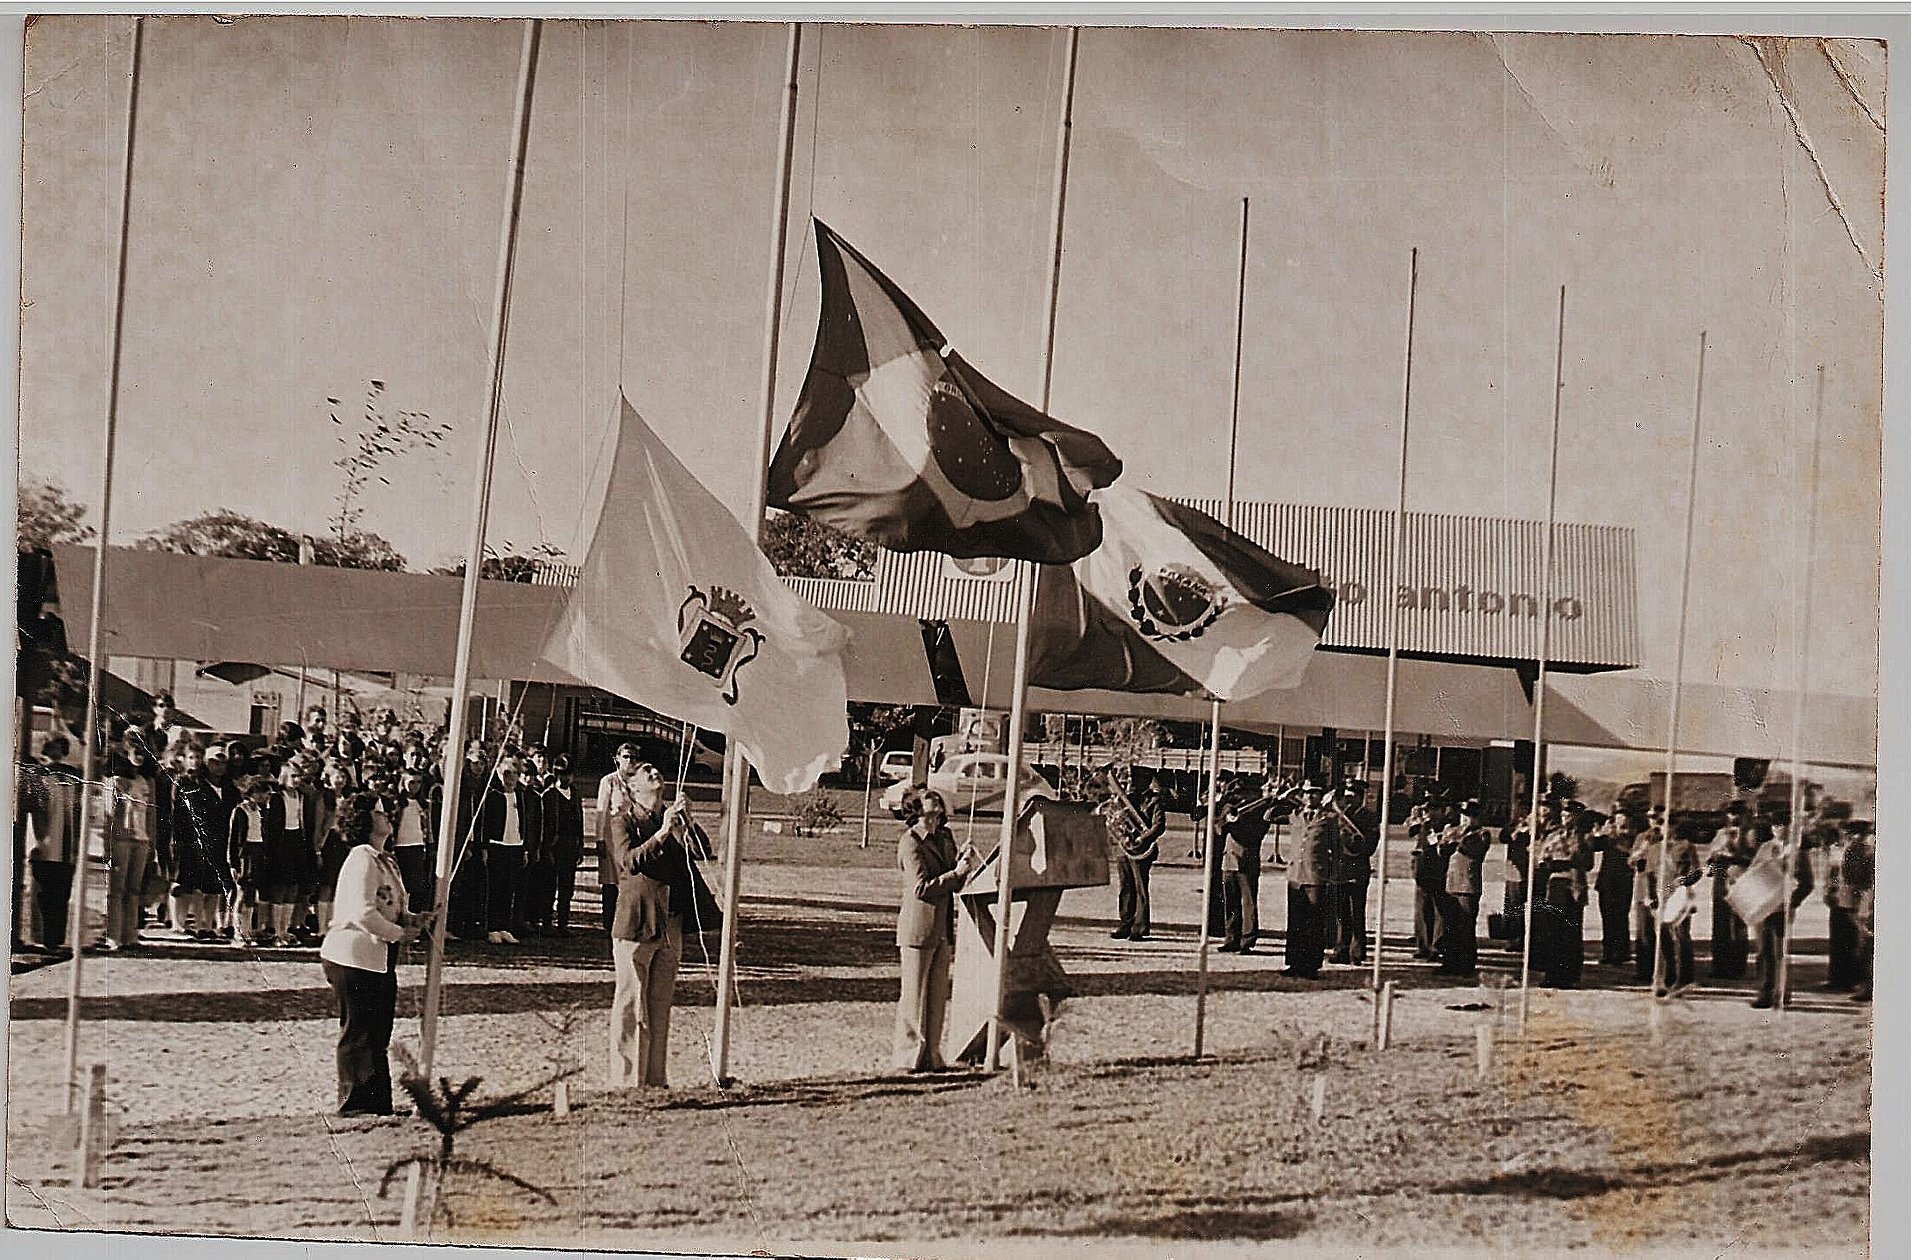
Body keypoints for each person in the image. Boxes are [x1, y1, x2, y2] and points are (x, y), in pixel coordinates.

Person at [319, 791, 435, 1116]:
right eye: (380, 812)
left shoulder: (386, 860)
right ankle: (355, 1105)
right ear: (365, 820)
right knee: (359, 1032)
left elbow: (391, 907)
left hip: (378, 957)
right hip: (353, 957)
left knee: (378, 1032)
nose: (387, 817)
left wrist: (414, 920)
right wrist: (401, 934)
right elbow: (363, 913)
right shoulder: (361, 858)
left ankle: (377, 1105)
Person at [605, 760, 712, 1088]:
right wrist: (665, 831)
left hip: (670, 922)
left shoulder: (673, 818)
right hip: (637, 922)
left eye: (656, 769)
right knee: (632, 1002)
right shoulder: (622, 821)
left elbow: (704, 852)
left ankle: (654, 1079)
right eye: (646, 771)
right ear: (632, 786)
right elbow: (630, 860)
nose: (655, 773)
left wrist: (688, 824)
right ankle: (627, 1081)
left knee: (660, 1003)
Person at [895, 788, 980, 1072]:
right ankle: (908, 1057)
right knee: (913, 996)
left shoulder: (944, 837)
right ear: (915, 809)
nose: (935, 802)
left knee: (936, 995)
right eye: (927, 799)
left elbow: (954, 883)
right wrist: (954, 874)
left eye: (937, 801)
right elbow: (920, 888)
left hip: (942, 927)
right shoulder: (910, 842)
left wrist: (962, 866)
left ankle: (932, 1054)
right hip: (918, 928)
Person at [24, 736, 84, 953]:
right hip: (44, 842)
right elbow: (34, 809)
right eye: (50, 748)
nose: (54, 752)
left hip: (67, 844)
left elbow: (78, 809)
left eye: (59, 748)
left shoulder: (72, 777)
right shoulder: (37, 776)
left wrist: (78, 841)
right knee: (42, 892)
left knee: (62, 892)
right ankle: (40, 937)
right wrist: (39, 840)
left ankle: (56, 939)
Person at [102, 733, 160, 952]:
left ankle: (130, 934)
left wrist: (152, 841)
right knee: (117, 888)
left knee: (134, 889)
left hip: (141, 839)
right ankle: (114, 936)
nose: (139, 755)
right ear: (125, 751)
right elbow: (109, 813)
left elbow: (152, 814)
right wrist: (108, 843)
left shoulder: (148, 781)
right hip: (121, 838)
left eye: (143, 752)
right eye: (135, 751)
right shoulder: (115, 780)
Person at [1750, 820, 1815, 1010]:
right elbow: (1754, 872)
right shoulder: (1765, 848)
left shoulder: (1797, 852)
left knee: (1780, 952)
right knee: (1763, 951)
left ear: (1790, 829)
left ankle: (1782, 993)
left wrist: (1791, 902)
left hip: (1781, 908)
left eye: (1782, 826)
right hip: (1762, 906)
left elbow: (1807, 883)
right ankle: (1765, 992)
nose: (1778, 830)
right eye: (1775, 826)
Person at [1634, 815, 1703, 995]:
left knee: (1681, 937)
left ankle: (1685, 977)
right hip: (1660, 895)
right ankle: (1667, 977)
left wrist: (1686, 880)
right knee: (1662, 938)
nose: (1666, 828)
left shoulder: (1686, 847)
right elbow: (1648, 874)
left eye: (1669, 824)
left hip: (1679, 895)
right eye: (1662, 824)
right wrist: (1649, 896)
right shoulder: (1654, 848)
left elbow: (1697, 871)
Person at [1533, 808, 1598, 988]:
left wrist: (1568, 858)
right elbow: (1541, 856)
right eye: (1562, 815)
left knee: (1571, 933)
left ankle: (1570, 975)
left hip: (1574, 886)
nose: (1565, 818)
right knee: (1553, 930)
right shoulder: (1554, 835)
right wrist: (1546, 860)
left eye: (1568, 815)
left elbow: (1588, 863)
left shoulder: (1585, 837)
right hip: (1555, 885)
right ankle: (1552, 974)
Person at [478, 756, 540, 945]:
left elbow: (525, 823)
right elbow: (483, 823)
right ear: (499, 774)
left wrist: (525, 849)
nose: (510, 777)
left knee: (509, 888)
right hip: (496, 846)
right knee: (494, 888)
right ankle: (492, 927)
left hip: (515, 846)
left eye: (514, 773)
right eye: (506, 773)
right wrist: (484, 847)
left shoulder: (520, 796)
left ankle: (504, 926)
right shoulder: (492, 795)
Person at [1283, 781, 1339, 979]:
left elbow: (1336, 848)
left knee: (1314, 923)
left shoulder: (1329, 819)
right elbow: (1268, 815)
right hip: (1296, 875)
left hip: (1316, 875)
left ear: (1321, 796)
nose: (1310, 797)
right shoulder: (1295, 815)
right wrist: (1287, 795)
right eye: (1307, 793)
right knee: (1296, 921)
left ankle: (1312, 965)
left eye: (1315, 794)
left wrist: (1331, 873)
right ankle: (1294, 963)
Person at [1435, 799, 1494, 978]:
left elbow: (1470, 849)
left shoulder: (1482, 834)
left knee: (1466, 927)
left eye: (1470, 816)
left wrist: (1457, 837)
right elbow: (1442, 850)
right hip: (1451, 884)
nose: (1466, 819)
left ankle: (1466, 965)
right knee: (1450, 926)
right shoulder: (1453, 831)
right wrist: (1444, 842)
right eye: (1464, 816)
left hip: (1468, 885)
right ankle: (1449, 962)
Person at [1104, 768, 1164, 942]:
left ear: (1145, 782)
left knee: (1140, 888)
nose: (1132, 784)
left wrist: (1141, 838)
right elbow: (1117, 817)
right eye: (1132, 780)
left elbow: (1158, 826)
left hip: (1142, 850)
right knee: (1125, 888)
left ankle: (1140, 927)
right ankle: (1125, 924)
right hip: (1125, 848)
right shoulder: (1126, 799)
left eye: (1136, 781)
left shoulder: (1154, 801)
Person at [1217, 776, 1276, 954]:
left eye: (1246, 794)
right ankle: (1231, 938)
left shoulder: (1261, 812)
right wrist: (1227, 820)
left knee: (1248, 903)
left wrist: (1263, 819)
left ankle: (1247, 940)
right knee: (1231, 902)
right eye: (1240, 794)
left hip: (1247, 860)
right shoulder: (1230, 808)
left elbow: (1256, 836)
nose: (1243, 798)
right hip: (1229, 861)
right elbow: (1218, 829)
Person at [596, 743, 650, 937]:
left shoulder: (639, 782)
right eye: (626, 757)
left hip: (633, 836)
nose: (630, 761)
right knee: (611, 881)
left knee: (632, 879)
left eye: (634, 758)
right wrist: (599, 838)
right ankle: (608, 923)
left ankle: (630, 921)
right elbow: (601, 812)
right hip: (612, 836)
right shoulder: (609, 781)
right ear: (617, 758)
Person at [1704, 801, 1761, 980]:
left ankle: (1736, 966)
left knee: (1738, 925)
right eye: (1730, 815)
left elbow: (1755, 860)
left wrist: (1733, 856)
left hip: (1741, 880)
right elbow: (1711, 856)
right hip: (1721, 879)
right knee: (1720, 923)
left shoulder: (1752, 834)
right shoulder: (1721, 833)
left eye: (1738, 815)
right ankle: (1720, 965)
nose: (1734, 819)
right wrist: (1714, 859)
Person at [1328, 780, 1378, 965]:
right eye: (1347, 796)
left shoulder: (1369, 818)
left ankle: (1357, 951)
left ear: (1361, 798)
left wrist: (1347, 839)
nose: (1349, 801)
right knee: (1340, 913)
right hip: (1339, 869)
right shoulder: (1337, 816)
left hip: (1357, 870)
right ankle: (1341, 949)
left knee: (1356, 912)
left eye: (1353, 797)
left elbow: (1368, 846)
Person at [538, 753, 586, 934]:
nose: (566, 778)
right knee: (550, 883)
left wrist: (580, 845)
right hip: (553, 845)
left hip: (571, 843)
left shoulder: (574, 793)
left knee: (567, 885)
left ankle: (563, 922)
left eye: (569, 774)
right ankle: (546, 921)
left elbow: (579, 820)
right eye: (562, 775)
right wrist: (547, 847)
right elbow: (544, 824)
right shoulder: (549, 795)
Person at [1593, 802, 1643, 966]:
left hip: (1623, 880)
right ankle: (1609, 951)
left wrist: (1615, 836)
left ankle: (1621, 951)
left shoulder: (1632, 839)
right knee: (1607, 917)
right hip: (1606, 881)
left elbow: (1632, 853)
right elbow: (1594, 845)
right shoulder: (1609, 838)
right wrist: (1601, 832)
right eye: (1617, 822)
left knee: (1620, 916)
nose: (1620, 826)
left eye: (1623, 823)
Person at [387, 768, 440, 917]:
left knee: (417, 886)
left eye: (418, 783)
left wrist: (430, 845)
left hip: (416, 846)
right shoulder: (398, 802)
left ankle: (414, 919)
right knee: (400, 885)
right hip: (399, 847)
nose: (414, 786)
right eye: (411, 782)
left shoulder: (422, 804)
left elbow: (427, 827)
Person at [1408, 797, 1449, 961]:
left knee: (1438, 910)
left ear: (1441, 810)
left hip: (1438, 869)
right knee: (1422, 909)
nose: (1430, 813)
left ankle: (1436, 945)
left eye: (1433, 809)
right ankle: (1422, 944)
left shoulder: (1446, 825)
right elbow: (1411, 832)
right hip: (1422, 869)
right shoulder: (1423, 824)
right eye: (1427, 809)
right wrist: (1419, 820)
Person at [1840, 820, 1874, 1003]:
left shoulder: (1859, 850)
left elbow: (1851, 877)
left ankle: (1867, 986)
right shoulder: (1863, 850)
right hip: (1861, 900)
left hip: (1863, 901)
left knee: (1865, 945)